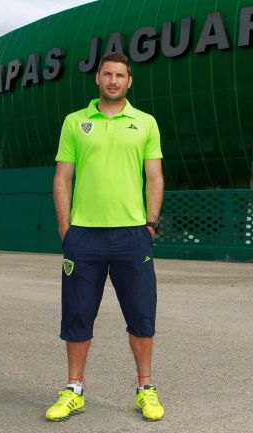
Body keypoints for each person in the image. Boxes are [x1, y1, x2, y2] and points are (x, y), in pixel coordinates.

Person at [46, 52, 165, 422]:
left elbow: (155, 177)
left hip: (132, 235)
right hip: (84, 237)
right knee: (77, 315)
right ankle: (74, 389)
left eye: (120, 75)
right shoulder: (74, 122)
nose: (114, 80)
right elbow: (63, 178)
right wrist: (67, 229)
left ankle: (145, 388)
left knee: (142, 315)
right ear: (97, 78)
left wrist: (150, 223)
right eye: (108, 74)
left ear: (130, 81)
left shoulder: (145, 123)